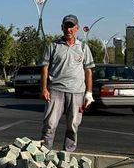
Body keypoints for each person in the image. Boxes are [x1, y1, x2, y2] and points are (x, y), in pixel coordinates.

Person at [39, 14, 95, 152]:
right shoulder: (52, 46)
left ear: (77, 28)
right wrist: (44, 89)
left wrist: (89, 93)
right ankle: (44, 152)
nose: (68, 29)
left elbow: (88, 71)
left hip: (77, 92)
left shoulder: (83, 47)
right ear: (62, 27)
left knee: (73, 125)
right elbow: (44, 68)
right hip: (55, 91)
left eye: (71, 26)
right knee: (50, 124)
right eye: (66, 26)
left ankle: (68, 154)